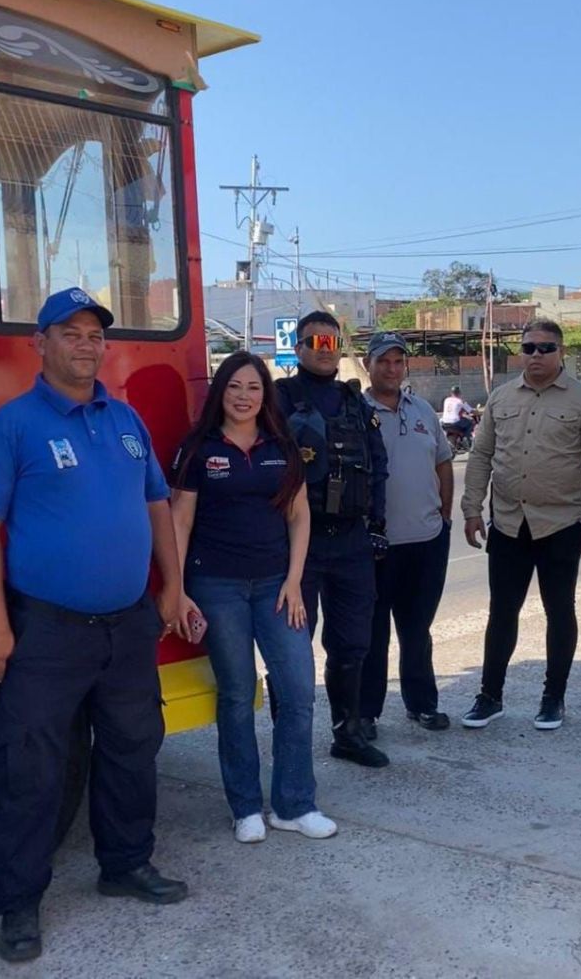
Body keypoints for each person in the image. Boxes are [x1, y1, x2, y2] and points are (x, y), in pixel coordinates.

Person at [0, 288, 186, 964]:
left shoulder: (125, 419)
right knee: (28, 767)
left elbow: (157, 505)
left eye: (95, 334)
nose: (87, 345)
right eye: (71, 333)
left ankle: (125, 863)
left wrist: (173, 586)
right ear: (40, 343)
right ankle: (18, 903)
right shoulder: (13, 426)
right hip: (48, 629)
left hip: (129, 623)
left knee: (131, 748)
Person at [169, 351, 337, 842]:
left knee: (298, 691)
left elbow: (300, 516)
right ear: (220, 392)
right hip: (216, 587)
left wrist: (294, 580)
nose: (244, 396)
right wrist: (176, 590)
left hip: (276, 586)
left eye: (254, 387)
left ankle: (294, 805)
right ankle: (245, 808)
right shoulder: (198, 448)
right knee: (238, 694)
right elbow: (179, 521)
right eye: (235, 386)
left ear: (266, 396)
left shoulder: (282, 447)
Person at [460, 319, 581, 731]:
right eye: (528, 347)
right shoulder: (501, 397)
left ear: (561, 352)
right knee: (501, 612)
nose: (536, 355)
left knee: (559, 611)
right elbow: (480, 456)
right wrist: (472, 508)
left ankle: (553, 698)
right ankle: (489, 696)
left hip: (560, 525)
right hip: (508, 524)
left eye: (546, 348)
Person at [275, 310, 390, 768]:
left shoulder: (354, 401)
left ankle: (348, 733)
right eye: (316, 343)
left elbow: (378, 466)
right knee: (291, 648)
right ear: (298, 348)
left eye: (333, 343)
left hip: (351, 544)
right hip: (297, 546)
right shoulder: (278, 399)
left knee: (352, 645)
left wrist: (377, 526)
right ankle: (290, 744)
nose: (326, 351)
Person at [359, 332, 454, 737]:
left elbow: (443, 462)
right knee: (373, 634)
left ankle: (422, 704)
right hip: (374, 546)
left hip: (426, 541)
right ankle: (366, 714)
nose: (392, 369)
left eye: (398, 362)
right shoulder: (356, 412)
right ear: (368, 365)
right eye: (383, 361)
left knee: (417, 630)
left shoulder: (422, 410)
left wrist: (445, 516)